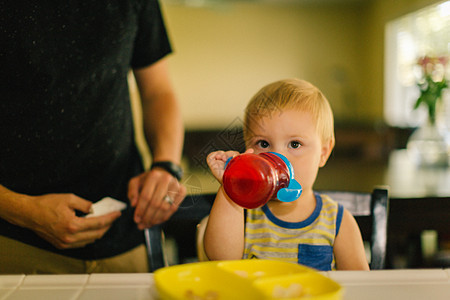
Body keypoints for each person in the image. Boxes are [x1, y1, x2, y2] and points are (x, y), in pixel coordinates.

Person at [0, 0, 186, 273]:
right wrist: (22, 210)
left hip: (125, 232)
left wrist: (166, 164)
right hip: (15, 240)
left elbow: (158, 91)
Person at [204, 79, 369, 271]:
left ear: (323, 152)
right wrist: (230, 186)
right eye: (263, 144)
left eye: (295, 144)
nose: (278, 158)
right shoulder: (243, 212)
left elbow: (360, 284)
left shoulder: (336, 220)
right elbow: (220, 259)